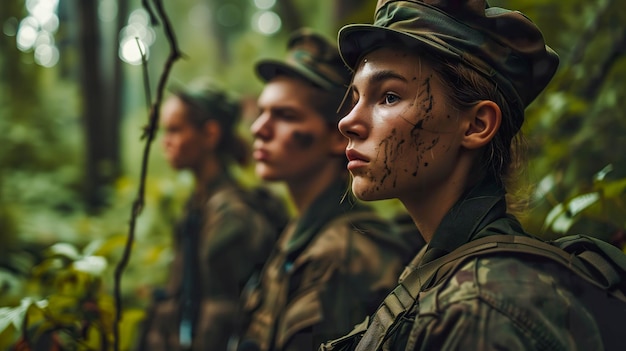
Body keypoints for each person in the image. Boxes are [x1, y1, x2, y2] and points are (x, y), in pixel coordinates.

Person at [319, 0, 613, 349]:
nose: (347, 121)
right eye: (355, 98)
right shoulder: (439, 276)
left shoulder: (481, 307)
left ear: (477, 125)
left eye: (389, 97)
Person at [232, 28, 416, 351]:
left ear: (337, 136)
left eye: (285, 115)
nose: (258, 129)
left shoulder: (345, 256)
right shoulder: (299, 236)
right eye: (262, 113)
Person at [137, 80, 287, 351]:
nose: (165, 141)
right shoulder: (199, 205)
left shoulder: (231, 215)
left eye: (175, 130)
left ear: (209, 134)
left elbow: (223, 316)